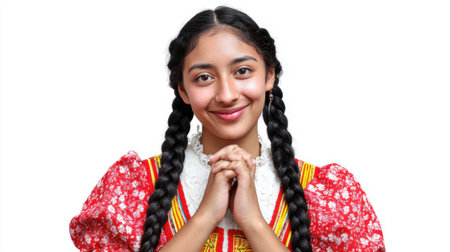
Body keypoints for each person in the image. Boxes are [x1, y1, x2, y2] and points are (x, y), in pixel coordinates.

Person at [69, 6, 385, 252]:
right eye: (204, 77)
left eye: (242, 71)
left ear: (269, 76)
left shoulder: (325, 194)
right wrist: (206, 216)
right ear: (183, 90)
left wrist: (254, 223)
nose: (227, 94)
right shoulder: (134, 187)